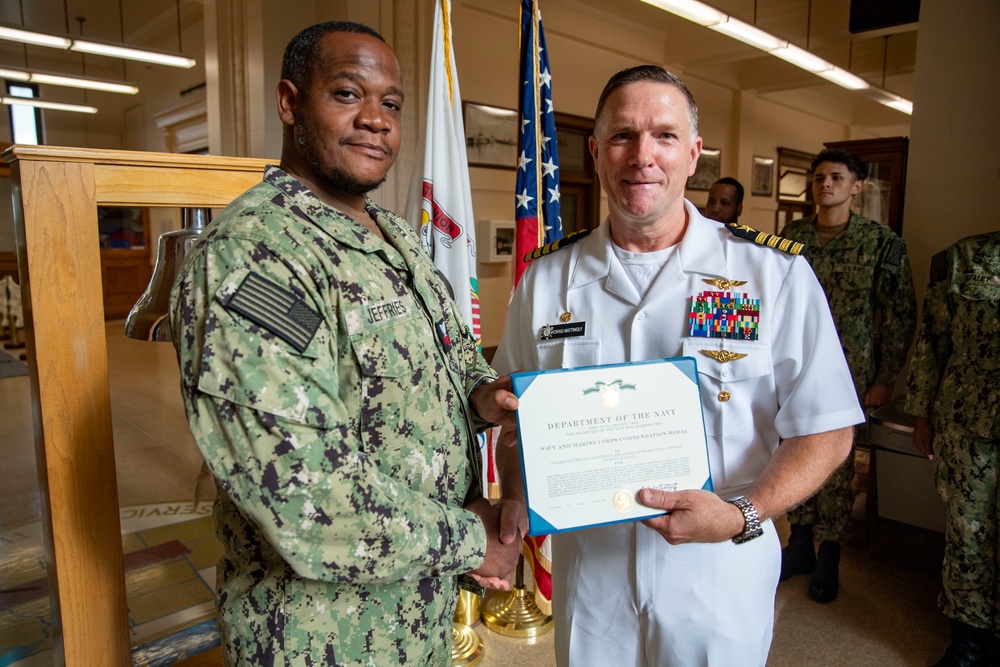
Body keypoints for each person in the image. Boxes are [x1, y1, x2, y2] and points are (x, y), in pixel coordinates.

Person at [169, 21, 524, 666]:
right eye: (346, 94)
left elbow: (443, 365)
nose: (376, 120)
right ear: (289, 103)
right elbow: (306, 499)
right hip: (322, 633)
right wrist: (472, 538)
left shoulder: (395, 239)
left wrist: (483, 395)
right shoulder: (256, 258)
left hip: (416, 613)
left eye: (390, 104)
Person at [492, 65, 863, 667]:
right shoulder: (546, 279)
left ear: (694, 155)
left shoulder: (771, 276)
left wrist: (743, 512)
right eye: (622, 136)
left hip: (719, 568)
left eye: (664, 136)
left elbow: (828, 427)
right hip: (594, 573)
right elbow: (513, 417)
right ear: (594, 152)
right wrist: (512, 495)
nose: (643, 156)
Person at [779, 149, 916, 603]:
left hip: (850, 368)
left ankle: (830, 552)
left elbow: (899, 313)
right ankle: (798, 543)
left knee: (836, 460)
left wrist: (887, 376)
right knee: (791, 447)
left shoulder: (881, 242)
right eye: (819, 178)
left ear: (857, 187)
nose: (826, 185)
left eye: (836, 178)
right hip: (791, 362)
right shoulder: (791, 236)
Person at [904, 232, 1000, 667]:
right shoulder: (967, 257)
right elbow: (933, 340)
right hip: (970, 428)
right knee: (968, 536)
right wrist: (921, 413)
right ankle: (968, 639)